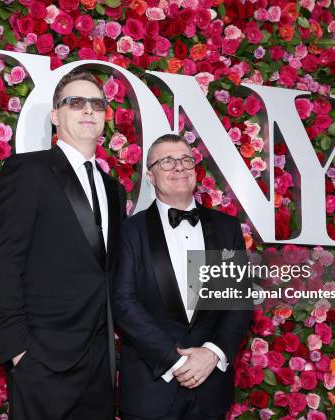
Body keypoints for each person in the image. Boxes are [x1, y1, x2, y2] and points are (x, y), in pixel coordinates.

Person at [0, 69, 126, 419]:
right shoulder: (28, 171)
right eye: (75, 102)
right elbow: (3, 262)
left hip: (100, 361)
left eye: (97, 103)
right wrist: (18, 351)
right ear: (55, 116)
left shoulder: (114, 190)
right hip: (43, 358)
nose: (88, 110)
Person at [113, 134, 253, 420]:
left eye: (186, 159)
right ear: (151, 177)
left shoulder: (226, 228)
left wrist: (212, 352)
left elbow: (237, 301)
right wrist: (174, 360)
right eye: (167, 161)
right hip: (150, 390)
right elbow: (123, 303)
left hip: (210, 389)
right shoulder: (130, 231)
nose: (179, 167)